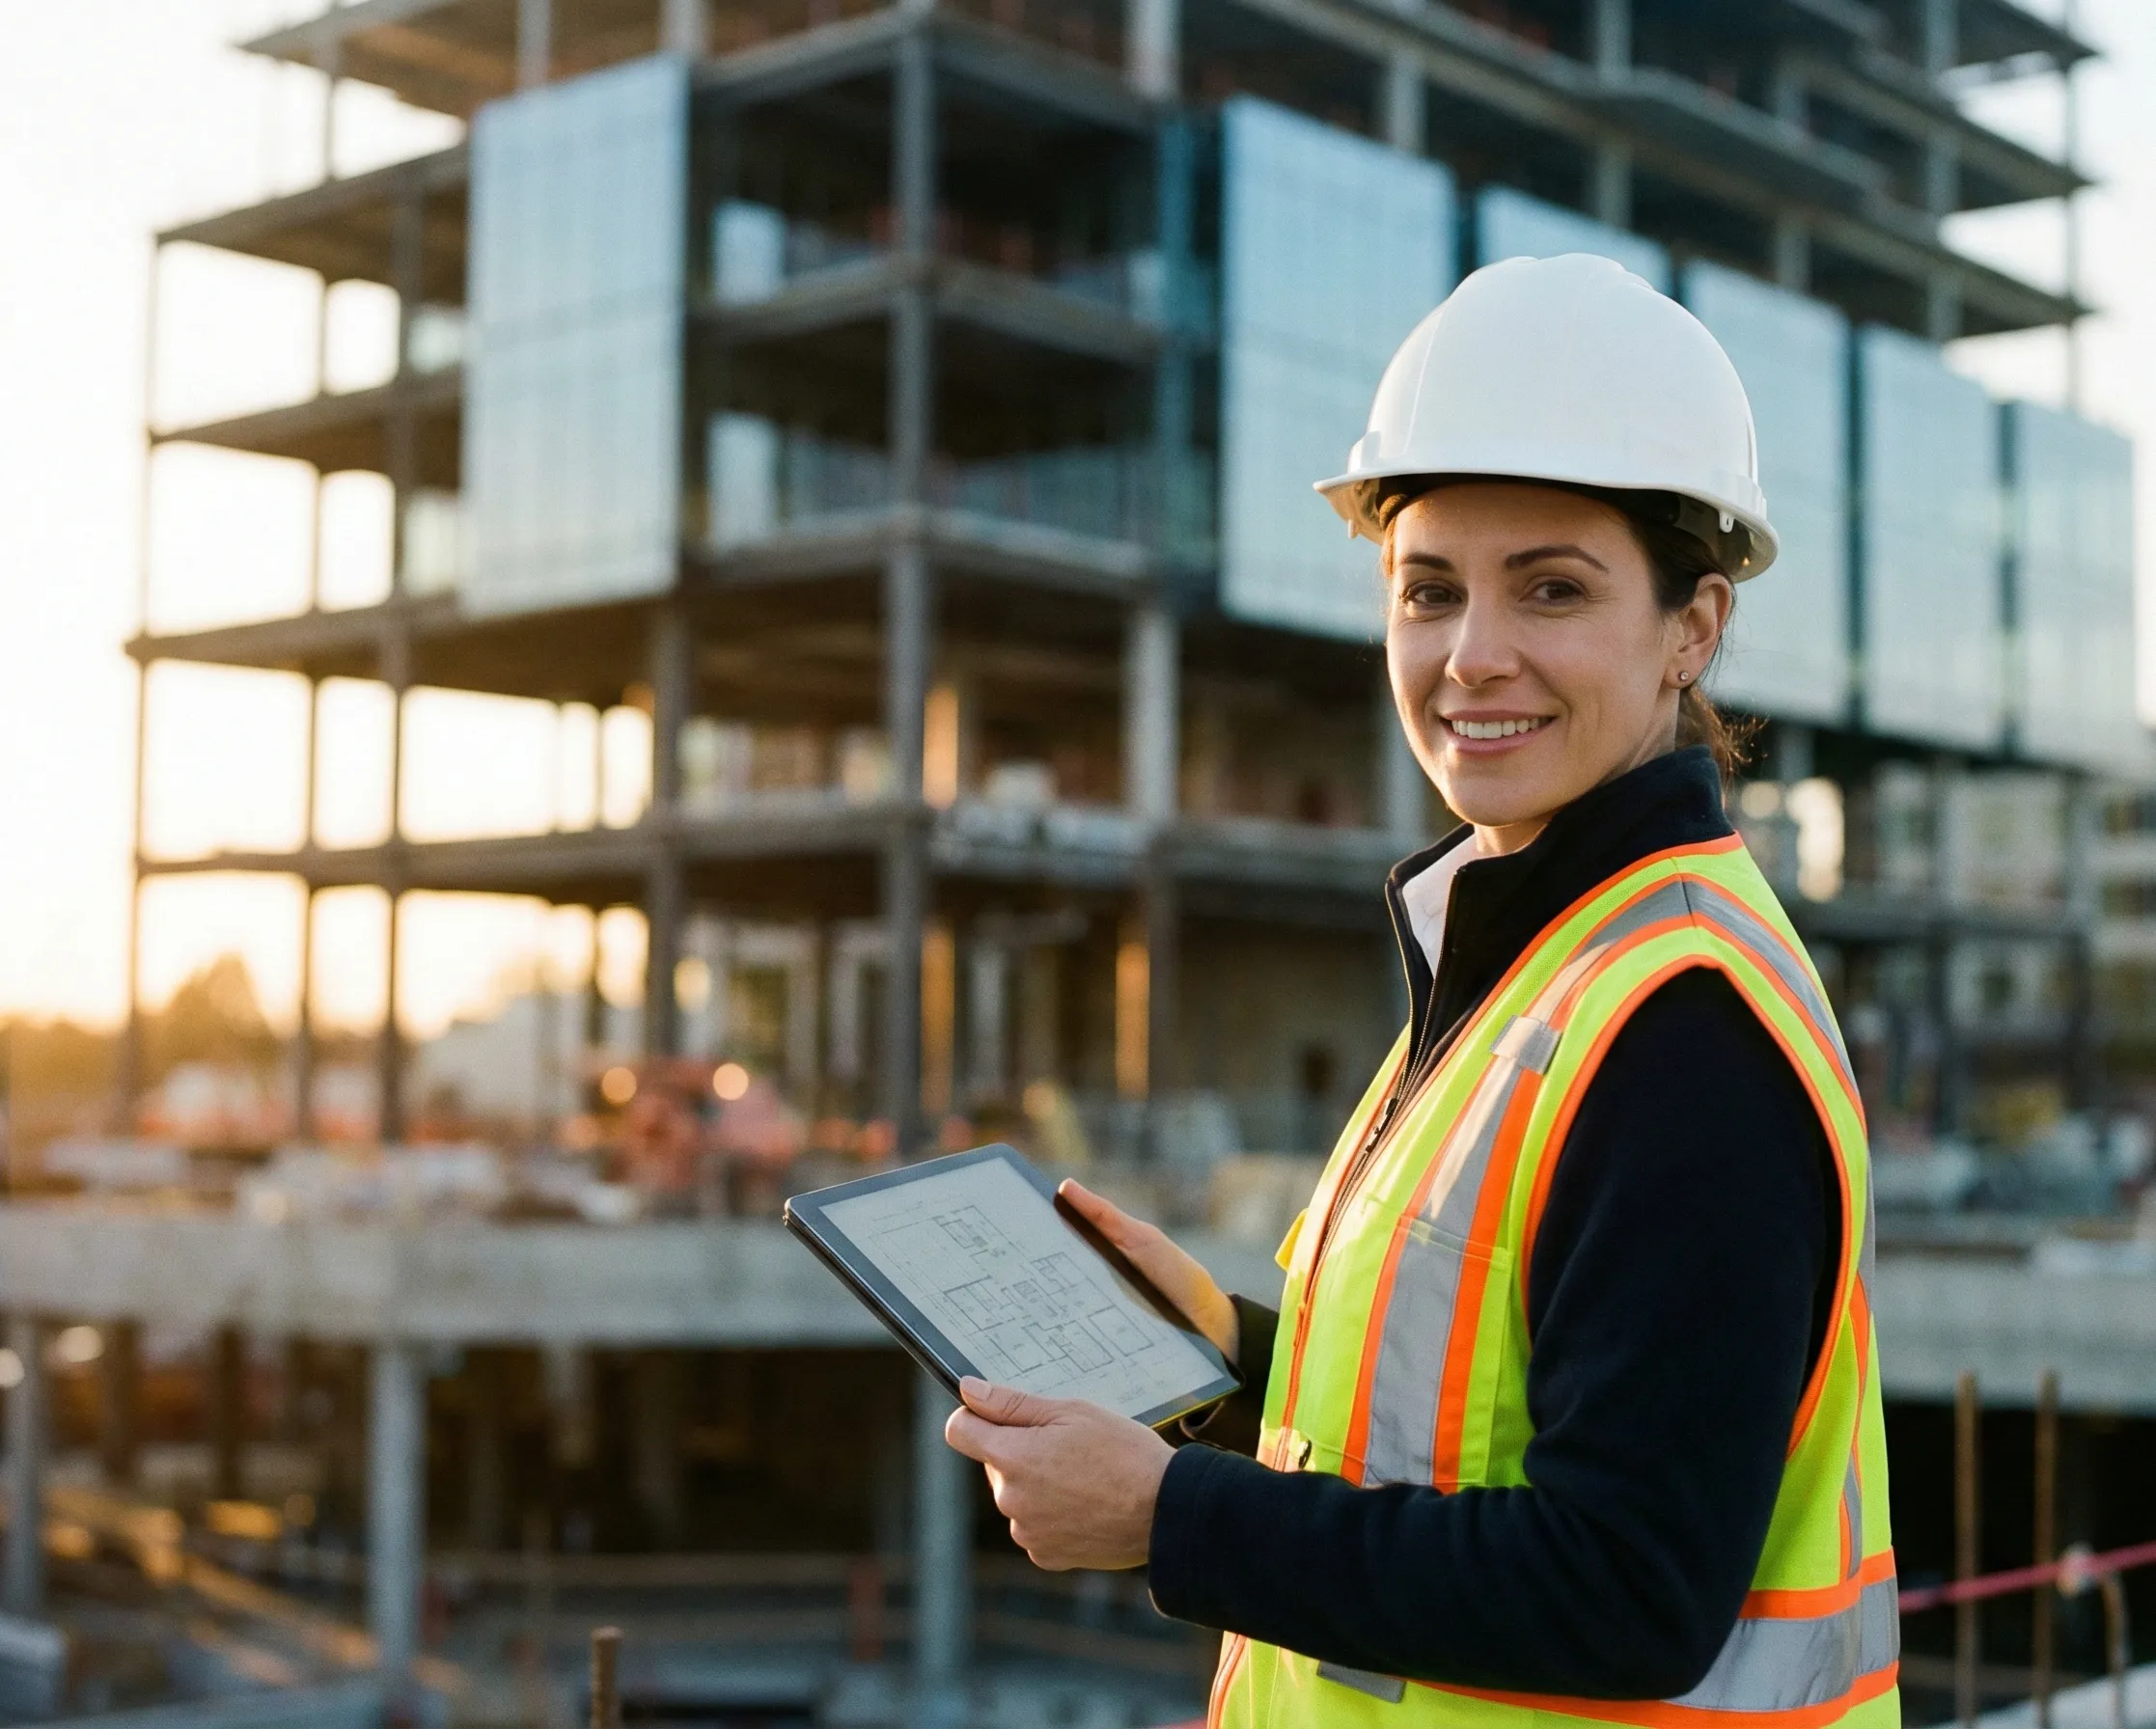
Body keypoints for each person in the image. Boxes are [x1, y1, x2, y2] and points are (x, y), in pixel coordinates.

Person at [942, 254, 1896, 1727]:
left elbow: (1629, 1587)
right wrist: (1230, 1361)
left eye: (1551, 590)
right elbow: (1473, 1425)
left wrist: (1174, 1516)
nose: (1472, 657)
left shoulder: (1680, 1023)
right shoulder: (1527, 955)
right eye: (1428, 592)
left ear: (1692, 628)